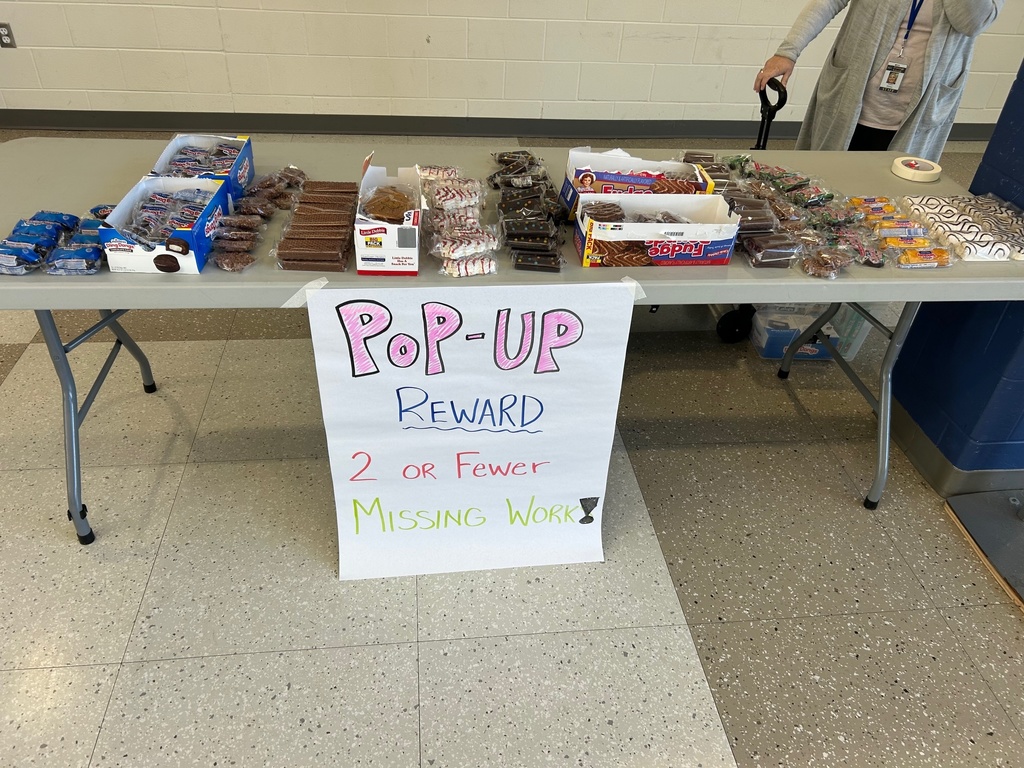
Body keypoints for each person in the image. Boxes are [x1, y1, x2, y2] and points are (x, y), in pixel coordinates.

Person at [754, 0, 1003, 162]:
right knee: (824, 181)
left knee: (892, 203)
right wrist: (788, 51)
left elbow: (972, 22)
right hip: (853, 94)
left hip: (918, 110)